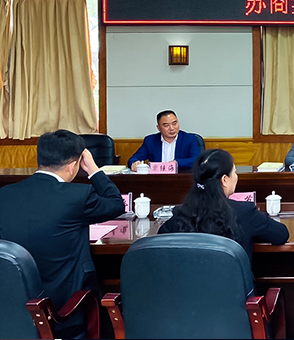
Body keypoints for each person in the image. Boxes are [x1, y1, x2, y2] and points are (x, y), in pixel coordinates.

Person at [0, 130, 125, 338]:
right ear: (73, 165)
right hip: (64, 308)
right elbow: (116, 204)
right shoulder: (78, 195)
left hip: (13, 308)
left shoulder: (4, 195)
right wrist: (93, 170)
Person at [158, 149, 289, 260]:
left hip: (188, 283)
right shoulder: (244, 212)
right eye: (234, 172)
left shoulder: (180, 213)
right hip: (233, 283)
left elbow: (159, 242)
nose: (236, 177)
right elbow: (281, 234)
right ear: (225, 180)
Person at [128, 110, 201, 171]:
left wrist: (176, 163)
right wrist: (135, 163)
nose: (171, 128)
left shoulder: (190, 139)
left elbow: (196, 160)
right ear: (158, 128)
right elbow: (133, 158)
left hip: (181, 179)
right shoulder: (150, 141)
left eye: (174, 123)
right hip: (157, 179)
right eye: (166, 125)